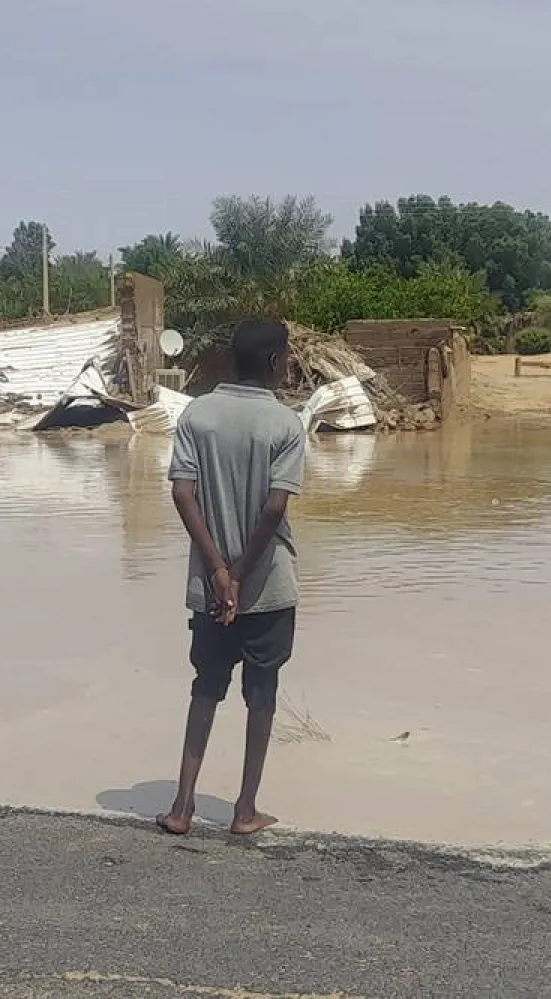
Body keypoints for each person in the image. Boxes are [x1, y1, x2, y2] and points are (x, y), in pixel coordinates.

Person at [159, 318, 305, 836]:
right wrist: (241, 573)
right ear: (272, 362)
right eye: (285, 356)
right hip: (267, 587)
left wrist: (219, 572)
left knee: (206, 687)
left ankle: (181, 806)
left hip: (210, 589)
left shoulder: (197, 415)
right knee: (260, 692)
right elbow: (273, 510)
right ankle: (244, 809)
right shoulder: (286, 425)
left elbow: (182, 494)